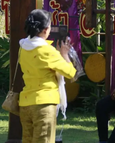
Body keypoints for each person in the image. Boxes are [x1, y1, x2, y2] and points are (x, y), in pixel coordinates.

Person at [19, 9, 77, 143]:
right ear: (45, 29)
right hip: (44, 104)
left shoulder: (23, 47)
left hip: (25, 103)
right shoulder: (47, 51)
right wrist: (64, 54)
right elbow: (70, 72)